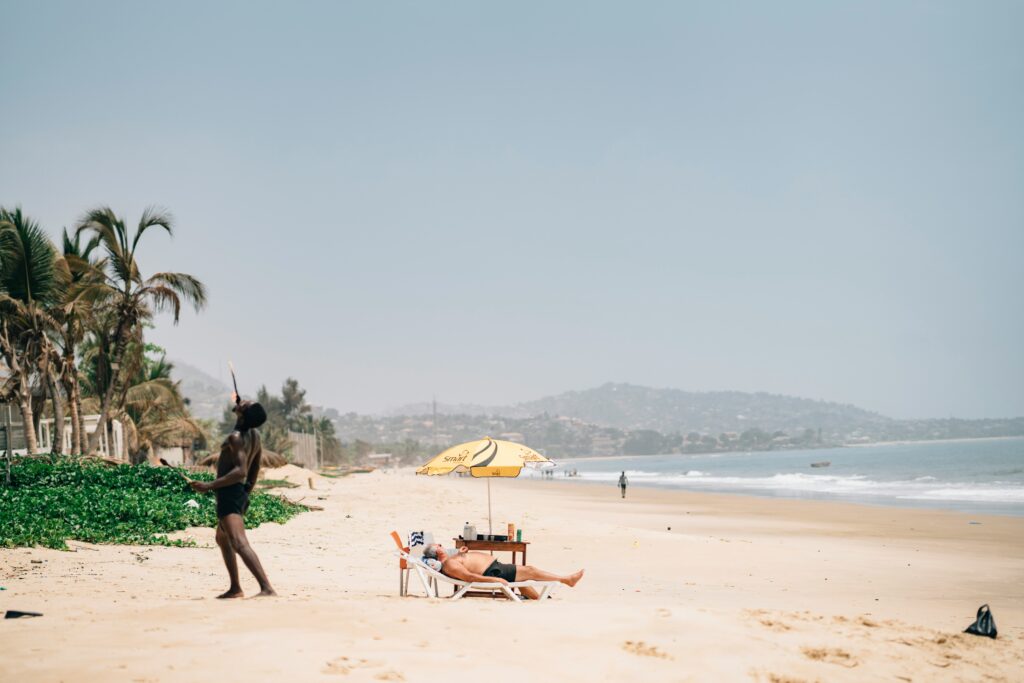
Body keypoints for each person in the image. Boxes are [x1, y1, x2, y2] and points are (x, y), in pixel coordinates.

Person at [189, 394, 276, 598]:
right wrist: (246, 493)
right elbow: (255, 468)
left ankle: (266, 588)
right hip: (237, 492)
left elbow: (241, 471)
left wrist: (208, 486)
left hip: (230, 493)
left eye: (245, 404)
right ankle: (235, 588)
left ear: (242, 415)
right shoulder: (255, 436)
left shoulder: (236, 437)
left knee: (238, 541)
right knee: (222, 538)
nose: (242, 401)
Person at [422, 544, 583, 600]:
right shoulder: (449, 564)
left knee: (522, 579)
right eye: (439, 545)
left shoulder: (450, 560)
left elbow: (465, 566)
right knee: (530, 571)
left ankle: (538, 599)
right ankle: (566, 580)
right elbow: (469, 576)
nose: (442, 545)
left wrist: (461, 553)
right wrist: (495, 581)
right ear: (437, 551)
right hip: (493, 572)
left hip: (494, 568)